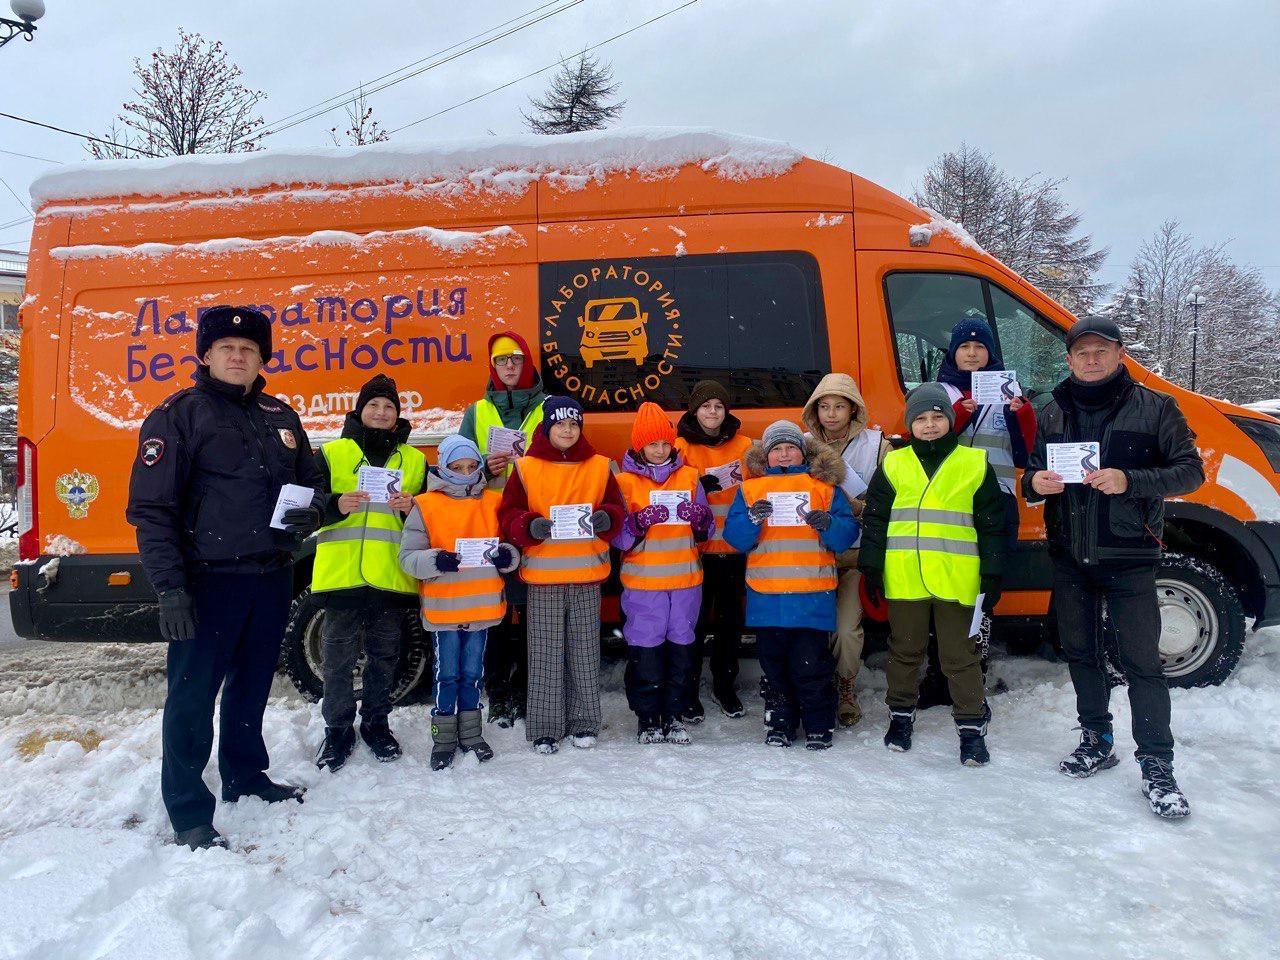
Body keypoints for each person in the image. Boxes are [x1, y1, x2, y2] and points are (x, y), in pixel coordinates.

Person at [126, 306, 323, 851]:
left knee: (251, 686)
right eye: (227, 348)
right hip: (207, 582)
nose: (238, 356)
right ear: (206, 355)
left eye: (249, 349)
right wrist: (170, 589)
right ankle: (189, 810)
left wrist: (314, 511)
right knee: (192, 699)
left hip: (271, 575)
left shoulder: (280, 415)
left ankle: (245, 776)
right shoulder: (178, 416)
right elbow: (152, 511)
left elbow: (310, 481)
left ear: (262, 358)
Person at [1023, 316, 1204, 819]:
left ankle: (1157, 763)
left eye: (1101, 350)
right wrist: (1035, 484)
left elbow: (1190, 472)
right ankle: (1097, 739)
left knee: (1142, 663)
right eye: (1082, 352)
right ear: (1069, 360)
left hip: (1130, 557)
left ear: (1120, 354)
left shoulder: (1155, 407)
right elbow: (1032, 472)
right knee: (1081, 654)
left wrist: (1130, 479)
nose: (1091, 359)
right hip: (1070, 556)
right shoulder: (1052, 409)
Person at [859, 383, 1007, 766]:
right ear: (910, 424)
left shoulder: (974, 463)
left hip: (958, 579)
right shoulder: (894, 463)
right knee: (904, 652)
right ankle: (901, 717)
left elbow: (993, 525)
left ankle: (971, 728)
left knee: (960, 656)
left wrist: (992, 573)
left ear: (950, 420)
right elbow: (875, 519)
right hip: (904, 577)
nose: (929, 424)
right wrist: (871, 566)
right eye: (921, 418)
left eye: (937, 416)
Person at [498, 396, 627, 754]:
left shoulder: (599, 465)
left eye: (573, 424)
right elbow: (509, 514)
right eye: (560, 424)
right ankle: (545, 728)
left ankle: (584, 722)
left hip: (587, 574)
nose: (567, 431)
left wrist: (608, 518)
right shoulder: (526, 467)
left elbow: (617, 507)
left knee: (585, 653)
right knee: (544, 655)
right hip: (543, 577)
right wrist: (528, 525)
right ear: (547, 427)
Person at [311, 374, 425, 772]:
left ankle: (377, 724)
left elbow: (431, 516)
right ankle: (337, 729)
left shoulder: (415, 460)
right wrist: (334, 504)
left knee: (384, 658)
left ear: (397, 415)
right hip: (341, 576)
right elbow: (305, 504)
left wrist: (414, 507)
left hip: (389, 576)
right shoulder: (332, 453)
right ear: (359, 410)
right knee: (337, 661)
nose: (381, 412)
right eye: (373, 405)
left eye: (389, 406)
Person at [723, 420, 859, 750]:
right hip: (767, 598)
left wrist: (829, 523)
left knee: (811, 667)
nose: (784, 454)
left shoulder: (824, 488)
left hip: (811, 597)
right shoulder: (750, 490)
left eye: (790, 447)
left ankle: (818, 726)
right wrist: (751, 519)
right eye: (777, 449)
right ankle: (779, 724)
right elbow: (735, 538)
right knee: (775, 670)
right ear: (765, 455)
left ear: (803, 452)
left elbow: (846, 535)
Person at [399, 435, 520, 770]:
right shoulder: (425, 505)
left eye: (471, 466)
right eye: (457, 467)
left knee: (472, 674)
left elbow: (511, 550)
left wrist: (505, 556)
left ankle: (471, 734)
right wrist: (436, 560)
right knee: (447, 675)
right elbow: (408, 558)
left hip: (482, 607)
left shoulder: (493, 501)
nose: (466, 473)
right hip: (445, 608)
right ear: (443, 467)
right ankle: (443, 738)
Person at [458, 331, 546, 728]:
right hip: (489, 525)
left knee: (530, 612)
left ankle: (527, 691)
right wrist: (482, 466)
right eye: (500, 360)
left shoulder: (548, 407)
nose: (509, 366)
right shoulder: (477, 412)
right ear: (492, 367)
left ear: (527, 362)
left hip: (534, 524)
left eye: (515, 358)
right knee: (493, 611)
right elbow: (456, 468)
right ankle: (497, 691)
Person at [614, 403, 714, 744]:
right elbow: (617, 538)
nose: (660, 450)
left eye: (665, 443)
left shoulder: (689, 477)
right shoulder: (624, 482)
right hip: (644, 585)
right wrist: (637, 522)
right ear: (639, 445)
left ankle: (674, 715)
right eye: (652, 444)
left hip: (686, 583)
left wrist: (699, 518)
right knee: (646, 654)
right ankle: (648, 718)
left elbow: (706, 532)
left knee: (681, 654)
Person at [801, 373, 891, 727]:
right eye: (824, 406)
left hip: (855, 554)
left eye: (839, 406)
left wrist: (858, 506)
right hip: (811, 555)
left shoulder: (877, 445)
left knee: (845, 629)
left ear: (853, 409)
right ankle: (813, 688)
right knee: (809, 629)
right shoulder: (801, 444)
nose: (831, 414)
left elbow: (889, 500)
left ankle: (845, 686)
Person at [673, 380, 754, 720]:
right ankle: (689, 688)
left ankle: (725, 685)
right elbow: (669, 485)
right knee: (692, 624)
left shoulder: (745, 445)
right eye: (706, 406)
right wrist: (696, 487)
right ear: (694, 411)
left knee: (729, 624)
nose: (712, 412)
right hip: (697, 551)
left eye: (719, 406)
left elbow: (756, 487)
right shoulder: (680, 446)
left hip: (733, 550)